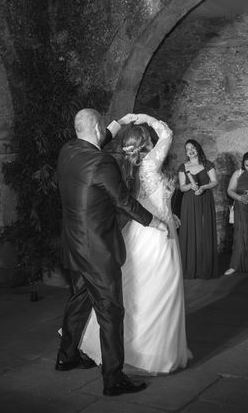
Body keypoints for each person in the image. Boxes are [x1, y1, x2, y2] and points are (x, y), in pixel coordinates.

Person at [55, 108, 167, 397]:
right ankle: (113, 378)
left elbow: (98, 138)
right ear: (96, 127)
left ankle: (66, 356)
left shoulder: (67, 151)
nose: (104, 131)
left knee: (79, 299)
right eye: (103, 127)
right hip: (97, 249)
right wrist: (155, 221)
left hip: (74, 243)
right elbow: (123, 201)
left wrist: (121, 122)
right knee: (110, 310)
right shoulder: (102, 162)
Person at [79, 113, 191, 375]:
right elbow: (167, 132)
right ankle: (154, 354)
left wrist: (168, 212)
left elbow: (143, 199)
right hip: (157, 235)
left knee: (136, 289)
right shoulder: (151, 161)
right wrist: (143, 117)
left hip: (144, 230)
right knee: (162, 290)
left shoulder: (133, 167)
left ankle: (127, 346)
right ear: (145, 142)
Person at [178, 139, 218, 279]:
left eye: (193, 147)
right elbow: (182, 187)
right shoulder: (183, 167)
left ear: (198, 149)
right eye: (187, 148)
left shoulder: (208, 164)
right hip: (189, 201)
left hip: (205, 199)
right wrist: (190, 186)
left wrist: (203, 187)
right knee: (190, 230)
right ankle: (191, 268)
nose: (190, 150)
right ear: (186, 152)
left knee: (204, 230)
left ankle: (205, 268)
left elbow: (214, 182)